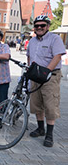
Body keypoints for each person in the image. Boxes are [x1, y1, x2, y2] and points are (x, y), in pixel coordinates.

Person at [27, 15, 66, 147]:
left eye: (42, 25)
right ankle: (40, 129)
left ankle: (49, 135)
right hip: (35, 77)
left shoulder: (54, 39)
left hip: (50, 76)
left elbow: (57, 56)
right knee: (37, 104)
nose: (39, 28)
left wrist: (46, 71)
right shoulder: (32, 41)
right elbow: (29, 57)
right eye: (37, 26)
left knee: (50, 105)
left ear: (48, 26)